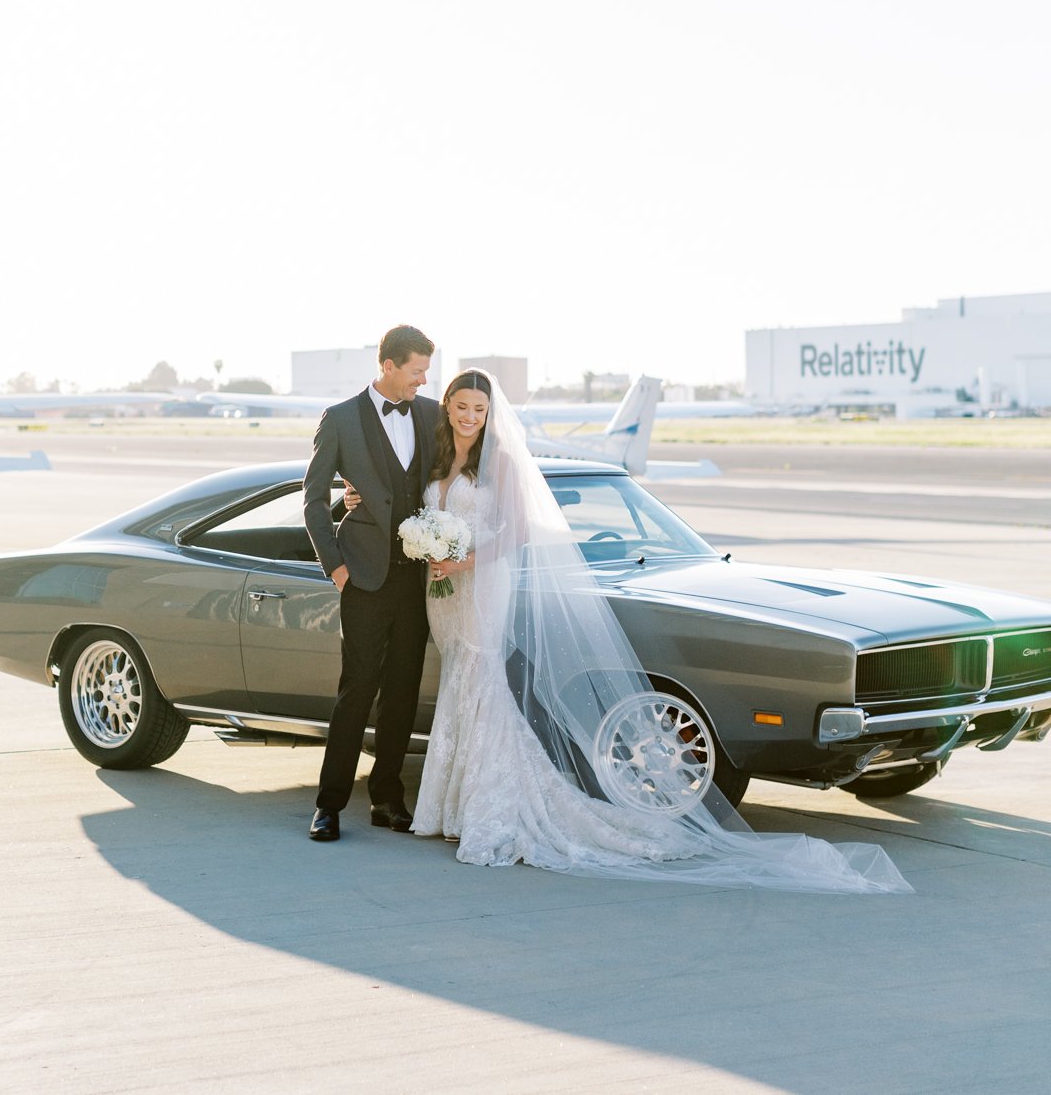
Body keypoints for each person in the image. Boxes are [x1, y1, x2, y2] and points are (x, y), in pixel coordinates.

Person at [345, 369, 911, 892]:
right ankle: (455, 807)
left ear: (492, 413)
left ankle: (495, 808)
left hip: (482, 585)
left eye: (479, 408)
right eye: (461, 406)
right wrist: (360, 502)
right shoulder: (436, 454)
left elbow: (517, 532)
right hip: (441, 594)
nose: (470, 416)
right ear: (446, 407)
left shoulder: (505, 463)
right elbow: (396, 498)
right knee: (460, 685)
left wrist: (462, 563)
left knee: (483, 682)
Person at [302, 324, 440, 842]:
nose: (424, 382)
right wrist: (336, 568)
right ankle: (329, 805)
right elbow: (314, 498)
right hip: (363, 578)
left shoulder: (429, 415)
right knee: (356, 690)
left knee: (403, 691)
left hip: (415, 580)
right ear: (388, 366)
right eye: (417, 372)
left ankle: (387, 798)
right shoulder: (339, 419)